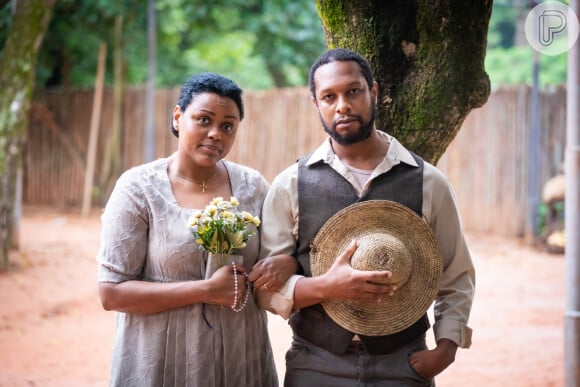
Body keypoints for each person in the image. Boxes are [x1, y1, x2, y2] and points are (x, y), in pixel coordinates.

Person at [259, 48, 476, 386]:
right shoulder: (290, 184)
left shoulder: (428, 182)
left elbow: (457, 274)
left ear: (374, 92)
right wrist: (324, 287)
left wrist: (446, 348)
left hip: (404, 363)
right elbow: (266, 290)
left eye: (353, 91)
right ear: (316, 105)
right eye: (329, 96)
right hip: (315, 364)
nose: (342, 105)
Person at [97, 72, 294, 387]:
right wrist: (205, 291)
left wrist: (289, 261)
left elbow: (282, 253)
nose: (216, 133)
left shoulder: (252, 186)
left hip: (238, 357)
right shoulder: (139, 189)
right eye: (204, 120)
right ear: (178, 117)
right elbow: (112, 293)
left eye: (227, 126)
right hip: (163, 360)